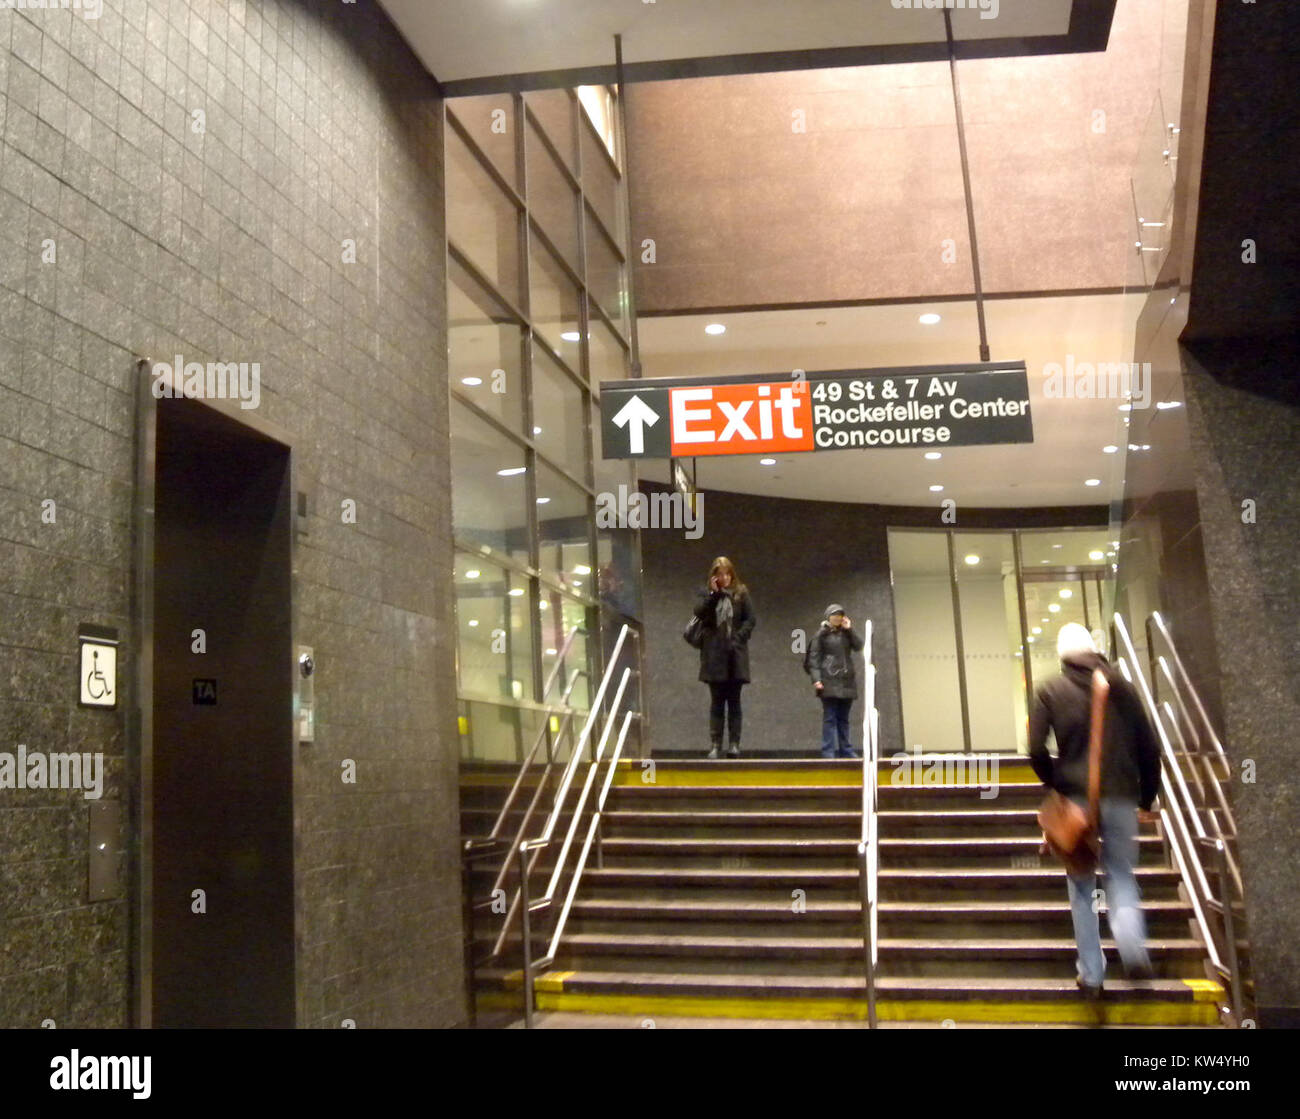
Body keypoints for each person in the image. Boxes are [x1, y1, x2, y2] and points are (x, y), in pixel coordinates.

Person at [1027, 622, 1162, 997]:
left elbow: (1035, 748)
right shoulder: (1122, 686)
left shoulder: (1049, 689)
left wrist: (1055, 783)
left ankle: (1092, 975)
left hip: (1074, 800)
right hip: (1120, 795)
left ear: (1062, 655)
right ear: (1094, 650)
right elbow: (1149, 746)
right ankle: (1133, 948)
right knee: (1120, 873)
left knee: (1082, 885)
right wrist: (1146, 797)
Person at [692, 556, 755, 758]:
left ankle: (734, 745)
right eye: (719, 574)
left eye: (727, 574)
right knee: (717, 702)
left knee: (734, 702)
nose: (724, 578)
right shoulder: (707, 594)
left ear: (732, 574)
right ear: (713, 576)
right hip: (714, 656)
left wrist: (738, 639)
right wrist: (714, 595)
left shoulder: (741, 594)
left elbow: (750, 619)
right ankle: (715, 744)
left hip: (734, 655)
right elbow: (700, 614)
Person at [806, 604, 864, 759]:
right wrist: (816, 679)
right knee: (830, 718)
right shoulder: (821, 635)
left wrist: (850, 629)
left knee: (843, 719)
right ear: (828, 617)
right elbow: (814, 658)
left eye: (840, 615)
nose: (837, 618)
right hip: (828, 680)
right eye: (834, 615)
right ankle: (828, 751)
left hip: (846, 682)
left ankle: (846, 749)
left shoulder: (847, 634)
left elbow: (859, 645)